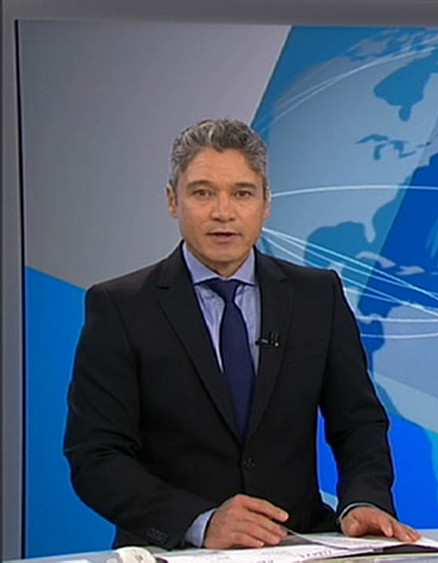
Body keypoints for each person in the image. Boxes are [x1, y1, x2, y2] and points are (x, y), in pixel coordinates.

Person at [64, 118, 419, 550]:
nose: (223, 212)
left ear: (266, 203)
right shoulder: (121, 306)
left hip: (297, 544)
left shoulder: (316, 296)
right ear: (173, 201)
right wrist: (199, 522)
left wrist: (363, 500)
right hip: (175, 553)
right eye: (202, 193)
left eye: (242, 193)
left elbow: (358, 422)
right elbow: (96, 455)